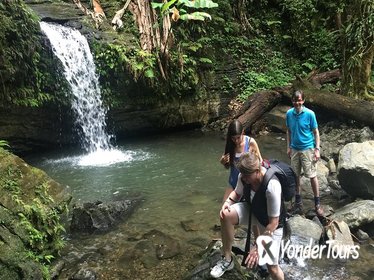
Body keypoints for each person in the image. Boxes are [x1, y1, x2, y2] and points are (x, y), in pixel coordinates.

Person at [210, 151, 285, 279]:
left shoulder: (272, 186)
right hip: (253, 210)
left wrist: (258, 246)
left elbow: (274, 223)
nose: (243, 178)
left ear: (257, 171)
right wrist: (228, 202)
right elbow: (237, 193)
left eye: (246, 176)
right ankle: (227, 260)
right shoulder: (243, 176)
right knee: (226, 215)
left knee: (272, 267)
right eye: (242, 175)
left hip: (270, 224)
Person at [286, 90, 323, 216]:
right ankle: (298, 203)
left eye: (300, 100)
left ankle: (317, 203)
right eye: (295, 101)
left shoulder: (310, 114)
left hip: (308, 148)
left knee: (312, 175)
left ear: (303, 101)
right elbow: (289, 131)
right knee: (295, 176)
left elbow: (316, 132)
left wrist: (317, 149)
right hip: (295, 149)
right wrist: (288, 147)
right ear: (292, 101)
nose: (297, 103)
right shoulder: (289, 114)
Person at [220, 119, 262, 201]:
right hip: (233, 183)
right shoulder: (230, 144)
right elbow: (228, 167)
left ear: (243, 132)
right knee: (224, 211)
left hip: (247, 183)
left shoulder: (250, 142)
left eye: (238, 137)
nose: (236, 141)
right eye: (233, 138)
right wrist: (223, 162)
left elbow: (260, 162)